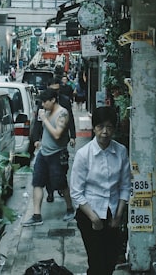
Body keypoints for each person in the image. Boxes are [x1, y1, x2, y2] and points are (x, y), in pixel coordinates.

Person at [69, 106, 131, 275]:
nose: (105, 132)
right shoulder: (84, 155)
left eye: (109, 127)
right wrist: (94, 218)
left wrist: (118, 215)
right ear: (94, 127)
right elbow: (76, 192)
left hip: (112, 213)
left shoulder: (120, 152)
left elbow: (125, 186)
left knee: (110, 261)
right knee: (97, 264)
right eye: (100, 126)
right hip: (89, 213)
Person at [22, 88, 76, 225]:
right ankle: (36, 215)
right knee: (37, 182)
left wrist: (45, 119)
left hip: (57, 154)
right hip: (43, 152)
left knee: (60, 183)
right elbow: (42, 129)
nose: (43, 104)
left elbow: (57, 134)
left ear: (53, 100)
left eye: (45, 102)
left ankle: (70, 208)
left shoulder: (62, 113)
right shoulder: (46, 111)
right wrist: (39, 140)